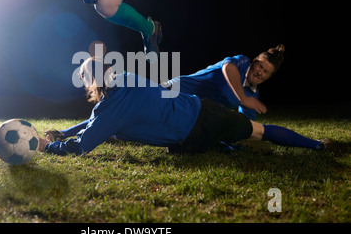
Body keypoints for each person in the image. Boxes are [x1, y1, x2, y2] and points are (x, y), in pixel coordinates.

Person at [38, 57, 330, 155]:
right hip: (206, 112)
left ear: (90, 85)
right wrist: (63, 131)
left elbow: (83, 143)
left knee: (185, 145)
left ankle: (223, 147)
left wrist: (48, 146)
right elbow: (96, 120)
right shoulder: (128, 77)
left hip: (188, 141)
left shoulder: (107, 113)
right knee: (259, 131)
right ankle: (317, 146)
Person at [44, 44, 286, 144]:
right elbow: (228, 68)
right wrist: (244, 99)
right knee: (118, 111)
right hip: (174, 92)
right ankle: (67, 133)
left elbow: (246, 118)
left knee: (122, 119)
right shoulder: (239, 64)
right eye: (260, 66)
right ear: (253, 62)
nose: (260, 72)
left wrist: (246, 130)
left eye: (266, 72)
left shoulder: (251, 92)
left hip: (194, 113)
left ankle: (104, 132)